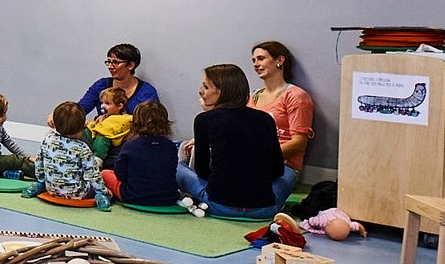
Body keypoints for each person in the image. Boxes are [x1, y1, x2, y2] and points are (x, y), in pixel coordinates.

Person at [175, 64, 287, 219]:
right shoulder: (265, 119)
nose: (201, 92)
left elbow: (202, 170)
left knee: (178, 167)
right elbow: (277, 170)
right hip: (265, 208)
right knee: (289, 174)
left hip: (219, 205)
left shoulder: (204, 120)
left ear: (222, 91)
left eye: (206, 87)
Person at [248, 39, 315, 201]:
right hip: (249, 161)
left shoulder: (296, 96)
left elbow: (299, 143)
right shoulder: (253, 96)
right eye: (254, 60)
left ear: (279, 60)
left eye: (261, 58)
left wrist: (262, 156)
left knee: (260, 200)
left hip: (283, 165)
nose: (256, 64)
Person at [31, 102, 109, 204]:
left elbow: (39, 163)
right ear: (81, 127)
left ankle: (38, 186)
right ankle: (101, 197)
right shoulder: (82, 148)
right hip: (78, 193)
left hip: (51, 189)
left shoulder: (48, 140)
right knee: (103, 183)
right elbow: (93, 174)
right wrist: (103, 191)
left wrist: (41, 181)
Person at [110, 100, 181, 209]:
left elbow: (120, 174)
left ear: (136, 122)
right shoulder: (170, 146)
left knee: (105, 173)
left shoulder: (130, 145)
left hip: (134, 196)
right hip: (168, 197)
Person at [79, 43, 161, 120]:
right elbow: (79, 111)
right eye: (108, 62)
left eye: (115, 62)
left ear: (131, 65)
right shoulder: (101, 85)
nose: (110, 66)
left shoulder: (146, 92)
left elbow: (151, 123)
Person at [86, 85, 134, 159]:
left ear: (119, 106)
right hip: (97, 136)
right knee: (85, 131)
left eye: (107, 103)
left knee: (101, 140)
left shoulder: (123, 118)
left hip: (110, 140)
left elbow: (131, 120)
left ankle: (98, 159)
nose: (103, 106)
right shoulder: (103, 117)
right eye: (102, 103)